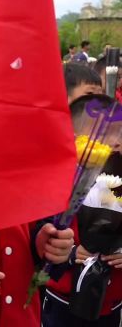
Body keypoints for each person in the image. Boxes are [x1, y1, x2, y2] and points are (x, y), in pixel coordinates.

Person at [42, 94, 122, 327]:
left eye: (119, 132)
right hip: (61, 299)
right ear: (74, 137)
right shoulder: (56, 179)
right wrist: (69, 252)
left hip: (111, 300)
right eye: (104, 133)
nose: (114, 141)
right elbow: (39, 235)